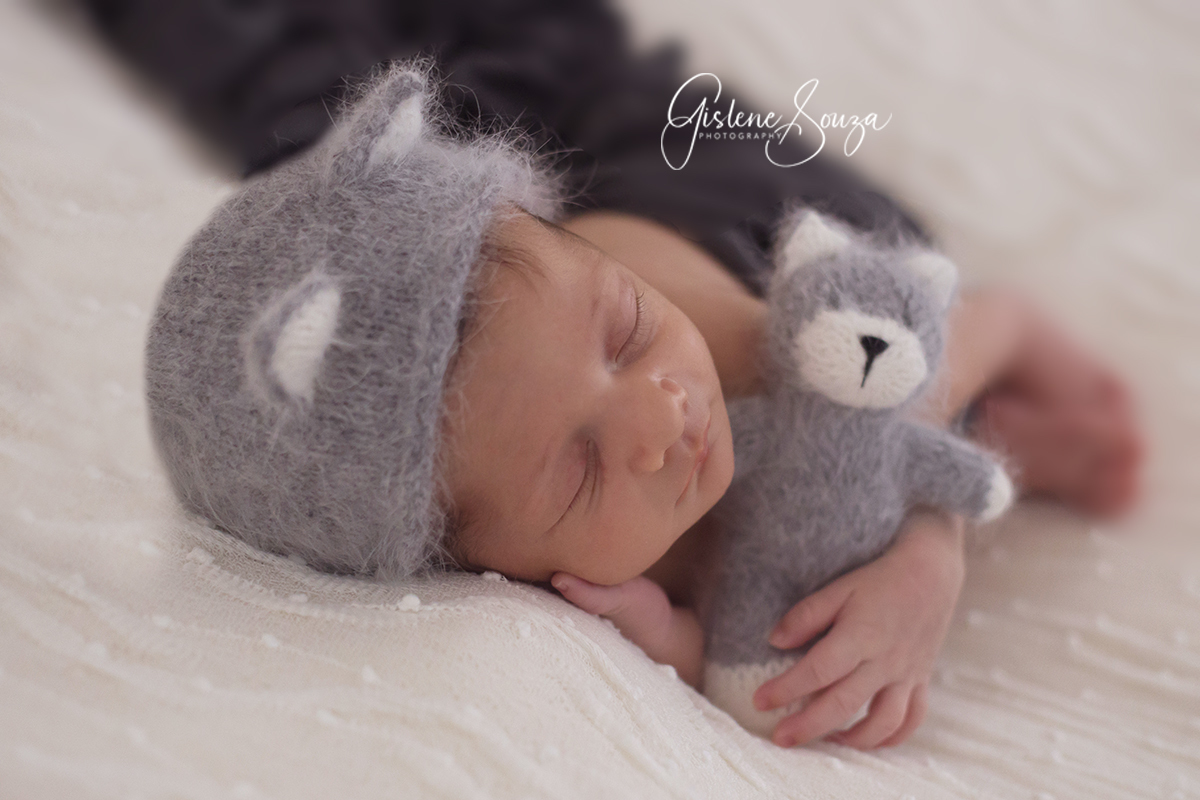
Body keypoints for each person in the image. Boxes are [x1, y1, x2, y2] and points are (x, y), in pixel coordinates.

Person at [436, 204, 1143, 751]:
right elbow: (710, 646)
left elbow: (872, 430)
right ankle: (998, 433)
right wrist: (655, 627)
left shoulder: (723, 348)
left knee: (908, 369)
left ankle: (1016, 352)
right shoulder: (533, 529)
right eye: (582, 466)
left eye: (628, 340)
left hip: (752, 234)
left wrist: (932, 554)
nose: (664, 412)